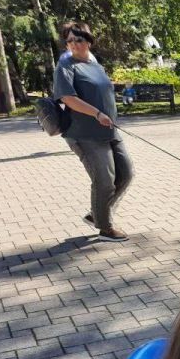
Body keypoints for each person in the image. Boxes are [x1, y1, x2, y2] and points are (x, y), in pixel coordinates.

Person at [53, 22, 133, 242]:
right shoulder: (66, 66)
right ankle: (105, 227)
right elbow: (68, 98)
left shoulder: (95, 64)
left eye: (78, 39)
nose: (73, 44)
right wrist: (98, 114)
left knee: (126, 174)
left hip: (109, 130)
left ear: (88, 41)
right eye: (69, 40)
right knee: (104, 180)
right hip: (84, 133)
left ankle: (97, 214)